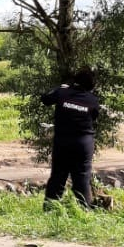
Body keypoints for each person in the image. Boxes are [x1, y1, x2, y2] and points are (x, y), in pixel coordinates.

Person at [42, 67, 101, 209]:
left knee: (58, 177)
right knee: (82, 179)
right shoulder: (92, 100)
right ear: (91, 85)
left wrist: (58, 88)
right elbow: (94, 116)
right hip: (83, 144)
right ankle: (84, 211)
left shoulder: (62, 92)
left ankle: (50, 209)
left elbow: (45, 99)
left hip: (63, 142)